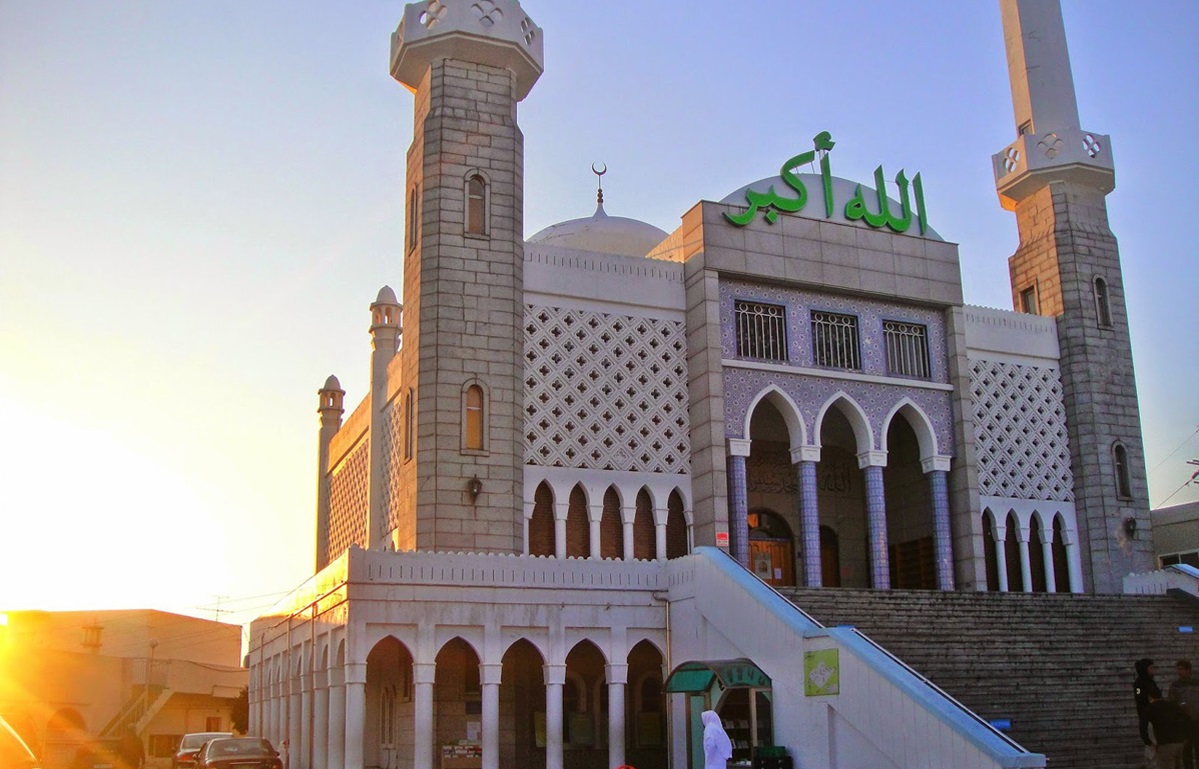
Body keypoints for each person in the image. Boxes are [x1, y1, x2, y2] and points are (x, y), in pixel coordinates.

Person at [1149, 693, 1193, 769]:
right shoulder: (1174, 708)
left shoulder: (1156, 710)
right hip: (1178, 742)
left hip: (1166, 743)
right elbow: (1187, 719)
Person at [1169, 660, 1199, 769]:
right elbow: (1172, 703)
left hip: (1197, 720)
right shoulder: (1175, 686)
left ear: (1188, 670)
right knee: (1186, 750)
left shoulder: (1197, 683)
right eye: (1178, 669)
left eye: (1181, 669)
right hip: (1184, 722)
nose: (1178, 671)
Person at [1140, 659, 1165, 752]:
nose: (1153, 670)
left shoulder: (1151, 682)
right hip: (1149, 716)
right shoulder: (1140, 683)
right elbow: (1139, 695)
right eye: (1151, 668)